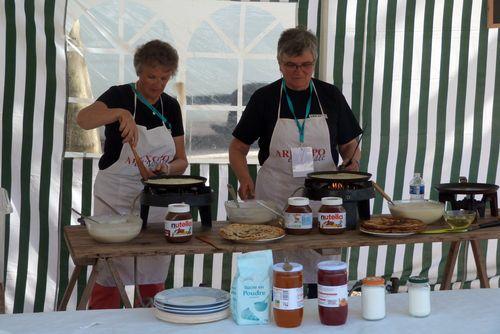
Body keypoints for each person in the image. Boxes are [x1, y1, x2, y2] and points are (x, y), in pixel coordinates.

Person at [229, 27, 362, 288]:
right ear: (279, 63)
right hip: (275, 198)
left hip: (322, 199)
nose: (298, 71)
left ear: (314, 62)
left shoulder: (330, 95)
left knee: (323, 270)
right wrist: (244, 178)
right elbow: (237, 147)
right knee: (277, 269)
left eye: (305, 65)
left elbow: (349, 145)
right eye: (290, 65)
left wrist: (352, 163)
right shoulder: (264, 98)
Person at [77, 39, 188, 309]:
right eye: (151, 76)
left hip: (153, 197)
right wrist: (119, 113)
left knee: (152, 266)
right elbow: (83, 119)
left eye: (164, 77)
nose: (157, 83)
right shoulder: (119, 95)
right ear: (139, 72)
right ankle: (101, 322)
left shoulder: (170, 106)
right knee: (110, 268)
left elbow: (181, 160)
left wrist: (166, 169)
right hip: (115, 196)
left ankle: (150, 319)